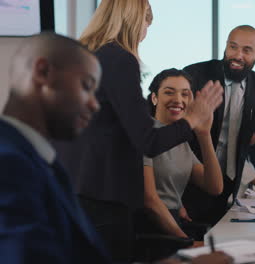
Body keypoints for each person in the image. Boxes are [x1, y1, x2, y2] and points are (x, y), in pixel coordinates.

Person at [54, 0, 224, 261]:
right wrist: (193, 119)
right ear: (135, 19)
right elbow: (148, 141)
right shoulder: (119, 59)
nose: (145, 33)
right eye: (147, 24)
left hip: (73, 196)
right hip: (104, 204)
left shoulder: (80, 57)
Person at [0, 32, 110, 263]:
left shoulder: (36, 160)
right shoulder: (9, 163)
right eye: (86, 86)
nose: (94, 104)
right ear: (43, 72)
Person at [182, 25, 255, 226]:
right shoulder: (195, 74)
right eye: (233, 47)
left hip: (229, 184)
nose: (237, 55)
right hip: (191, 182)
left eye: (247, 50)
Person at [143, 68, 223, 238]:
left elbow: (215, 187)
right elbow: (150, 201)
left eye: (185, 94)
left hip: (172, 224)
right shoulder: (145, 134)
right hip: (149, 228)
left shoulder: (180, 139)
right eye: (169, 93)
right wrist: (186, 241)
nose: (178, 100)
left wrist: (204, 134)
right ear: (154, 98)